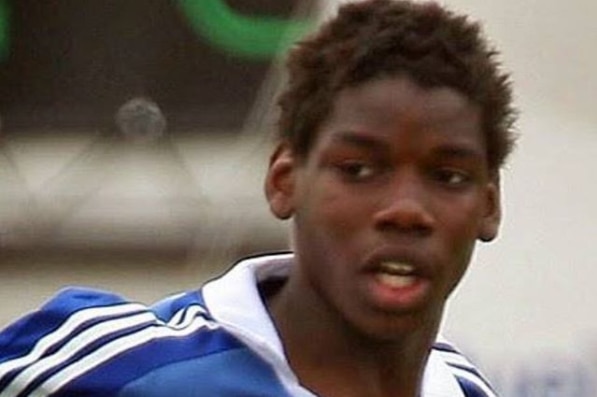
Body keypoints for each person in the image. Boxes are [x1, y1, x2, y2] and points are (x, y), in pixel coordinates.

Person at [0, 0, 516, 396]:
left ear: (489, 205)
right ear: (284, 180)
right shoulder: (124, 366)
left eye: (448, 176)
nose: (405, 209)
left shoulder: (467, 389)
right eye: (358, 169)